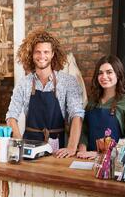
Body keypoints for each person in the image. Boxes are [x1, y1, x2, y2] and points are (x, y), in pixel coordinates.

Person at [6, 30, 84, 158]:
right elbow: (11, 116)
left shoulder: (68, 82)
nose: (42, 56)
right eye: (38, 52)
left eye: (46, 52)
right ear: (31, 54)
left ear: (53, 54)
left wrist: (71, 147)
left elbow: (77, 115)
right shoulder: (24, 84)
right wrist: (19, 143)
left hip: (58, 151)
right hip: (29, 149)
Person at [77, 55, 125, 159]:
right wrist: (82, 151)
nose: (104, 76)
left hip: (114, 164)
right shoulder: (92, 102)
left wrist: (100, 155)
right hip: (87, 160)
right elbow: (84, 131)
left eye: (109, 72)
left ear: (118, 74)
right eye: (100, 73)